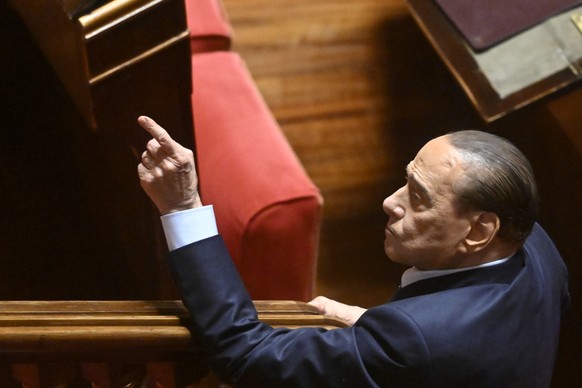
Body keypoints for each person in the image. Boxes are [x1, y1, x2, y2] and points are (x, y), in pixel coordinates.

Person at [137, 115, 570, 387]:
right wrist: (379, 329)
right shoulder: (536, 246)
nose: (390, 201)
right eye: (406, 180)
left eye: (418, 197)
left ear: (478, 231)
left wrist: (182, 206)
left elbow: (246, 355)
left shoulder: (413, 340)